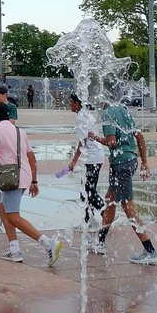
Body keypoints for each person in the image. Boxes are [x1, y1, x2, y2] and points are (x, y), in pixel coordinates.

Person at [0, 102, 59, 265]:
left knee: (14, 216)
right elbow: (31, 156)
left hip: (11, 179)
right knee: (3, 210)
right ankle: (14, 249)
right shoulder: (19, 131)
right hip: (22, 176)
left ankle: (47, 243)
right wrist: (34, 180)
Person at [91, 100, 157, 264]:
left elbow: (112, 142)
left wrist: (96, 138)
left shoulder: (107, 114)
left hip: (120, 164)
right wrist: (144, 162)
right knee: (110, 199)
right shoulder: (123, 110)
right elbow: (140, 137)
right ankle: (100, 241)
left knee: (128, 207)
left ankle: (150, 250)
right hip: (130, 161)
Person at [63, 94, 106, 227]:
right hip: (94, 157)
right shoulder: (85, 115)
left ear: (77, 103)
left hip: (93, 158)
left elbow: (82, 142)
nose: (70, 104)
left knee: (89, 191)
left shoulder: (82, 117)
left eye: (71, 102)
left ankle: (106, 214)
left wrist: (73, 162)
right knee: (86, 191)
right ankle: (88, 220)